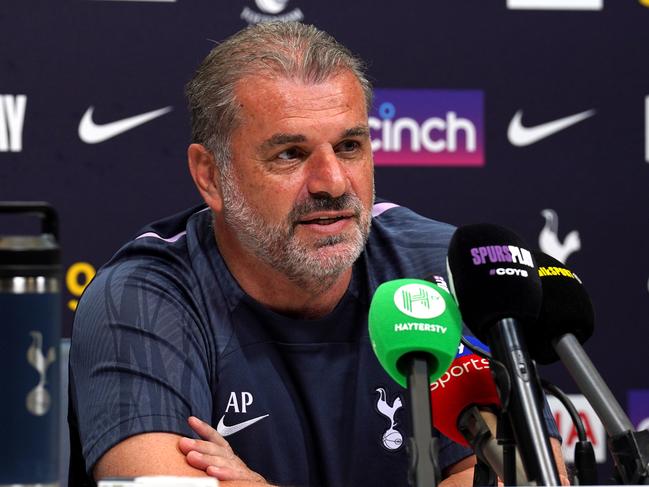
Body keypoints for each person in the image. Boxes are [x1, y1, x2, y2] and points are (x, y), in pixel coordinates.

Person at [68, 21, 569, 487]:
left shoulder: (442, 271)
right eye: (290, 154)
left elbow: (530, 478)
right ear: (210, 175)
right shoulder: (141, 299)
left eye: (350, 146)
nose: (332, 182)